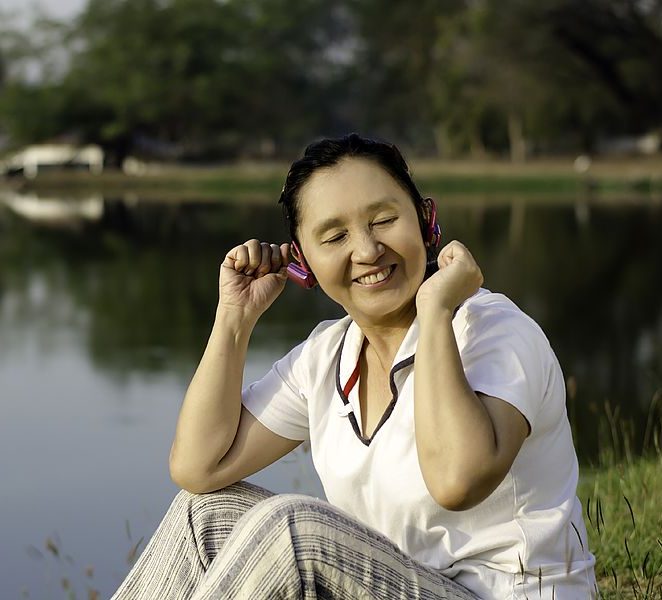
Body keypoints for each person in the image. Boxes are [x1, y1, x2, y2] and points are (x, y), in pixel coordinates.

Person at [111, 134, 597, 600]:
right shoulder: (327, 355)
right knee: (206, 512)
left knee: (293, 531)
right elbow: (198, 467)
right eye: (335, 235)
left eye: (384, 220)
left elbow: (457, 480)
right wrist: (234, 319)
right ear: (303, 261)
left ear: (428, 221)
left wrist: (434, 310)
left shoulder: (496, 332)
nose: (366, 251)